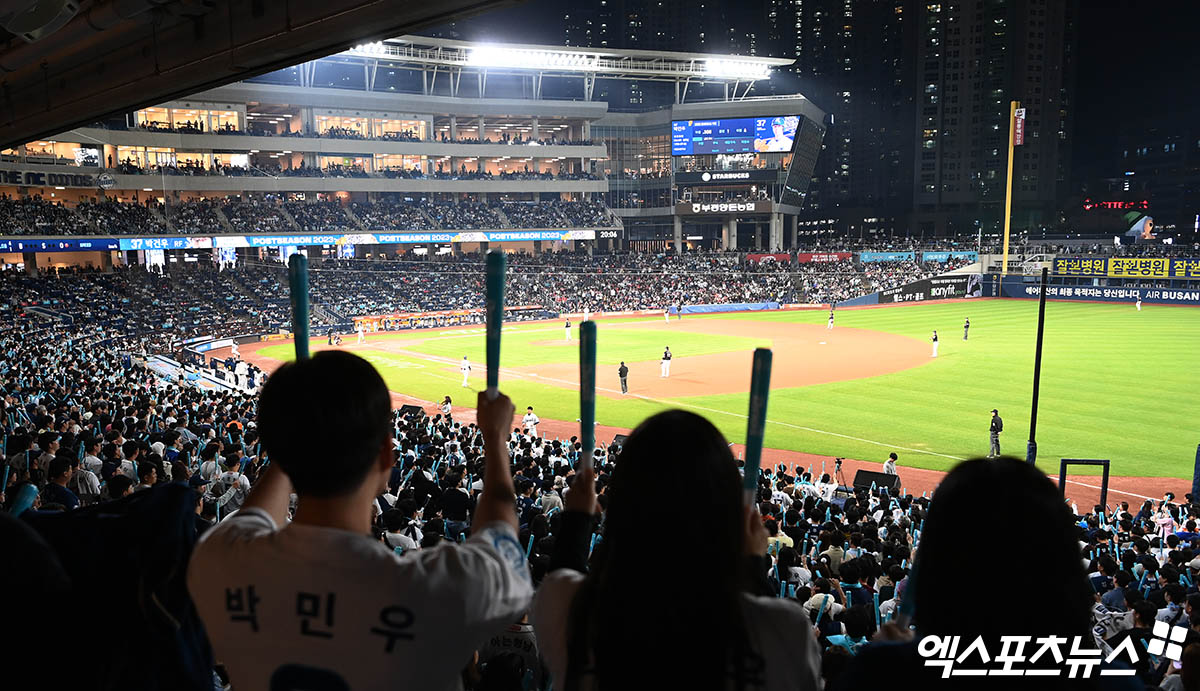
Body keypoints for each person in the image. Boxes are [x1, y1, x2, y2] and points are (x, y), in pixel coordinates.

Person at [188, 350, 532, 690]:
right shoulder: (431, 589)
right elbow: (503, 545)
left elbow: (254, 517)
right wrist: (495, 439)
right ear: (386, 455)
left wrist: (294, 437)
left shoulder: (217, 558)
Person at [531, 410, 821, 690]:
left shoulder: (573, 610)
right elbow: (762, 622)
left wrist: (577, 518)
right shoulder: (786, 629)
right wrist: (753, 562)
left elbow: (561, 575)